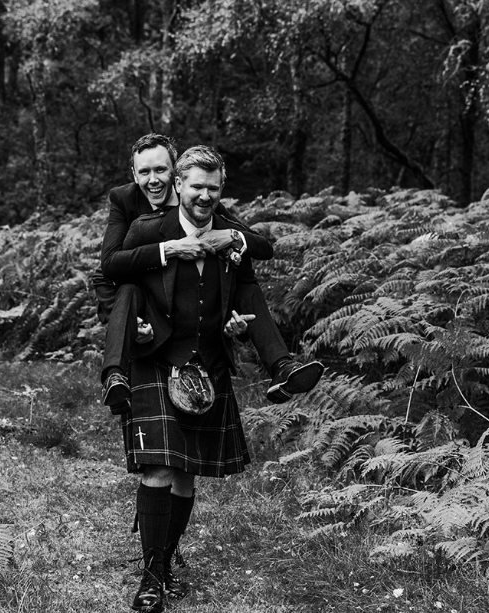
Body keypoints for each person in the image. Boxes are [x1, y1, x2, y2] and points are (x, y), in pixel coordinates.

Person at [114, 145, 288, 612]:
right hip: (156, 360)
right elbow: (114, 272)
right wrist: (134, 329)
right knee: (159, 467)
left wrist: (234, 327)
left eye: (213, 188)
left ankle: (165, 562)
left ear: (221, 189)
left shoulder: (232, 238)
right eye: (196, 186)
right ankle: (151, 577)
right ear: (178, 186)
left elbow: (249, 278)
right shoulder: (148, 230)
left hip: (207, 366)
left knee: (187, 475)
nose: (204, 196)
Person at [93, 134, 323, 416]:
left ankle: (282, 367)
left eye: (161, 170)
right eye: (144, 172)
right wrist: (130, 321)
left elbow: (260, 245)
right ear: (134, 174)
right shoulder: (128, 204)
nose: (153, 179)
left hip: (200, 311)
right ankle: (114, 375)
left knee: (246, 283)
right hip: (150, 304)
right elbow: (109, 268)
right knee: (129, 288)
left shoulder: (201, 197)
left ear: (175, 172)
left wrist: (231, 235)